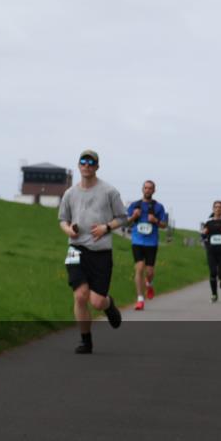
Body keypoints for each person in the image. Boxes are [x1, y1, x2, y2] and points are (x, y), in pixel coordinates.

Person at [58, 149, 127, 354]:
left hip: (100, 251)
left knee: (96, 301)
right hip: (75, 249)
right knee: (80, 296)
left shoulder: (109, 192)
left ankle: (108, 304)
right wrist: (69, 230)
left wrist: (106, 227)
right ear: (79, 165)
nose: (87, 165)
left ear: (97, 167)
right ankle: (85, 341)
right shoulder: (70, 193)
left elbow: (123, 218)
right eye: (83, 161)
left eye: (91, 162)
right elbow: (62, 220)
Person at [125, 180, 168, 309]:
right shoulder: (134, 205)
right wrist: (133, 217)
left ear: (154, 191)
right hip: (137, 241)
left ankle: (149, 284)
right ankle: (140, 299)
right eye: (146, 188)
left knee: (149, 271)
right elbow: (126, 222)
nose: (148, 190)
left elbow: (164, 225)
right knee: (139, 268)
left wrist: (155, 220)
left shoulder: (158, 207)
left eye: (150, 188)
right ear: (142, 189)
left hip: (151, 243)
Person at [201, 201, 221, 302]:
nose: (218, 209)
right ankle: (214, 294)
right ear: (213, 209)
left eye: (220, 207)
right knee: (213, 272)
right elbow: (203, 236)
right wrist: (203, 233)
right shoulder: (209, 223)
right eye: (216, 207)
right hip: (211, 251)